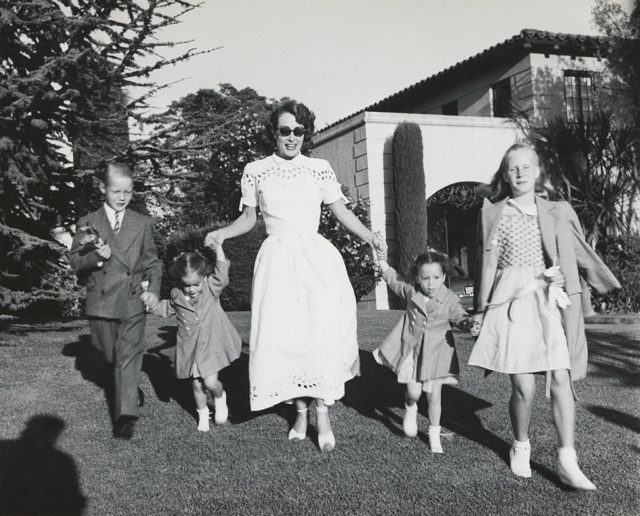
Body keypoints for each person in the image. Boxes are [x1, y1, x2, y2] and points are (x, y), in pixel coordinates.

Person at [204, 99, 385, 452]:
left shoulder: (319, 168)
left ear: (306, 133)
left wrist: (370, 236)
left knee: (319, 336)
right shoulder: (256, 170)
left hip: (317, 261)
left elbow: (339, 212)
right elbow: (248, 219)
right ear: (274, 132)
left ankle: (323, 412)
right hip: (277, 262)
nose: (292, 137)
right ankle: (300, 412)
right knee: (286, 339)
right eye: (285, 130)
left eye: (298, 131)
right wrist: (223, 233)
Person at [469, 143, 620, 489]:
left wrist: (593, 287)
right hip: (511, 299)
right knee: (524, 387)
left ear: (538, 171)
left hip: (551, 297)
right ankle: (520, 444)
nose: (520, 173)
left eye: (526, 167)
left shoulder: (557, 209)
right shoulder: (493, 212)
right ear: (505, 175)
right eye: (513, 168)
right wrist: (480, 309)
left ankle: (568, 458)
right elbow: (488, 264)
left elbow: (578, 251)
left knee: (560, 379)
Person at [69, 162, 162, 439]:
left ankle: (125, 415)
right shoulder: (88, 222)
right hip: (100, 302)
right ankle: (128, 388)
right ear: (103, 189)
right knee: (108, 355)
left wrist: (154, 290)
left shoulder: (142, 223)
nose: (122, 198)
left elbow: (153, 263)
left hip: (132, 298)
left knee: (130, 356)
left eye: (128, 192)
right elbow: (75, 262)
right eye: (116, 191)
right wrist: (97, 258)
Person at [373, 251, 475, 453]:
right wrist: (383, 264)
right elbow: (394, 282)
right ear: (417, 278)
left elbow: (460, 316)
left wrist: (468, 323)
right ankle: (410, 407)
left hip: (437, 354)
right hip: (413, 349)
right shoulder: (412, 292)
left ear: (444, 277)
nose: (431, 283)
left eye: (436, 278)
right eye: (425, 278)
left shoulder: (449, 298)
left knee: (434, 396)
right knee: (414, 391)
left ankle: (434, 433)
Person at [141, 245, 242, 432]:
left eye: (196, 284)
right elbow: (164, 309)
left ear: (204, 278)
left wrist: (219, 247)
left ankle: (220, 397)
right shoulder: (176, 295)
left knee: (210, 382)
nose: (192, 289)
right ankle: (203, 414)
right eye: (187, 285)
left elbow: (221, 274)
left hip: (210, 345)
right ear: (179, 281)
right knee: (196, 384)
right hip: (190, 348)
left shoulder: (211, 288)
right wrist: (150, 302)